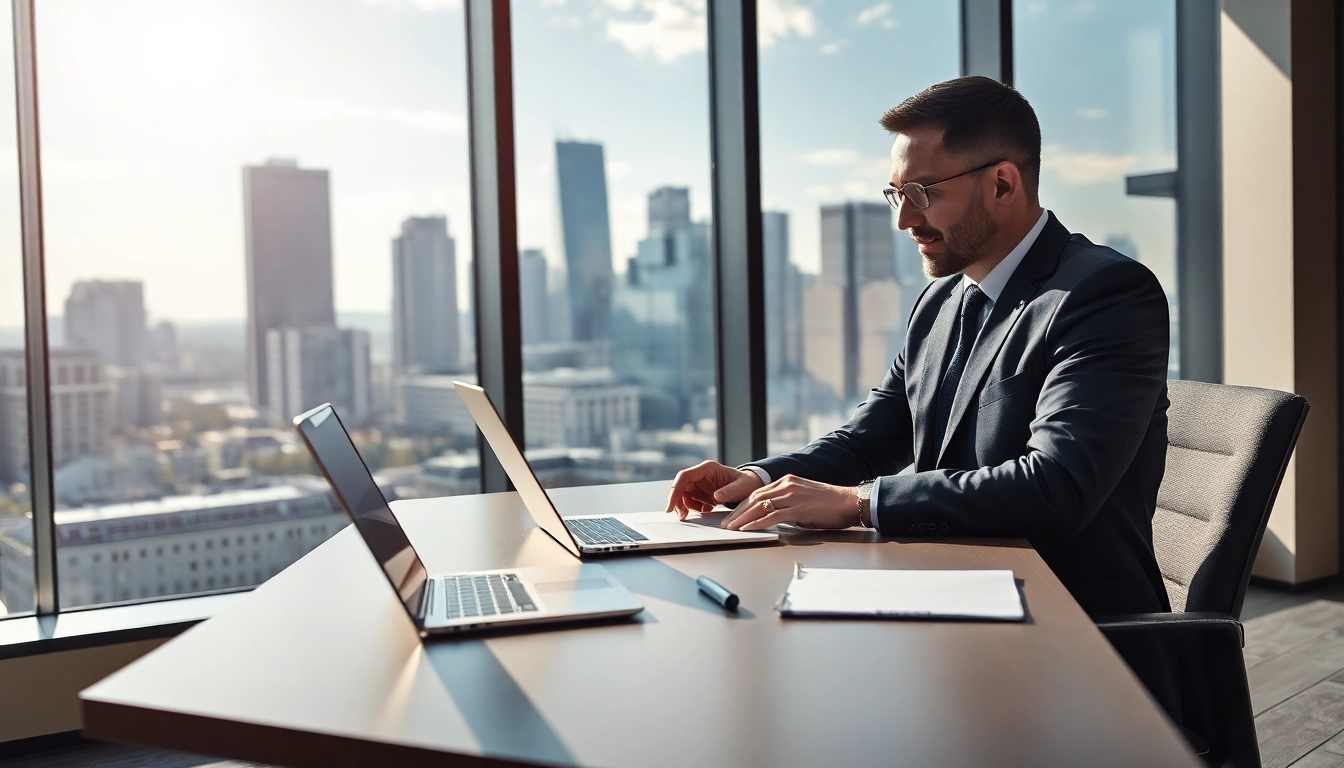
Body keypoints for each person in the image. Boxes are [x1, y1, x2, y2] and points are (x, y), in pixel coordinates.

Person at [665, 76, 1178, 717]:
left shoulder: (1103, 294)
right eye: (896, 193)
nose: (904, 218)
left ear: (1002, 183)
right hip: (949, 608)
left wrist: (858, 504)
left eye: (922, 193)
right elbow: (874, 433)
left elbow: (1058, 485)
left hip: (1073, 644)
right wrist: (755, 477)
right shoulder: (941, 299)